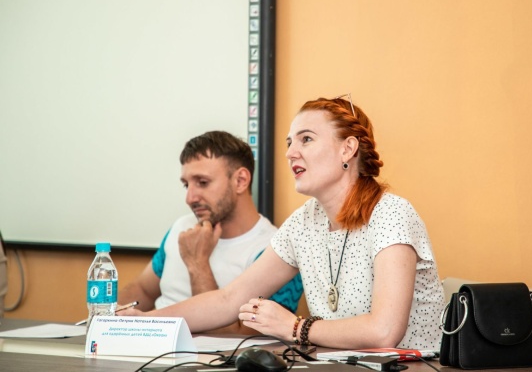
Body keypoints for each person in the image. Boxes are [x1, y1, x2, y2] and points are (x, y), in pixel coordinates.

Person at [121, 97, 445, 350]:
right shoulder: (304, 221)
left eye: (306, 139)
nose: (291, 153)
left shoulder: (391, 214)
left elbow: (384, 331)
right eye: (290, 143)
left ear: (347, 149)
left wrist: (294, 327)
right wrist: (146, 320)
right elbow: (229, 300)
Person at [118, 131, 303, 333]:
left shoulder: (277, 250)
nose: (190, 198)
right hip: (153, 343)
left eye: (203, 183)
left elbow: (239, 338)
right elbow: (144, 290)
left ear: (240, 180)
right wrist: (108, 317)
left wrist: (197, 264)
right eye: (186, 185)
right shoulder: (182, 227)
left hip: (211, 352)